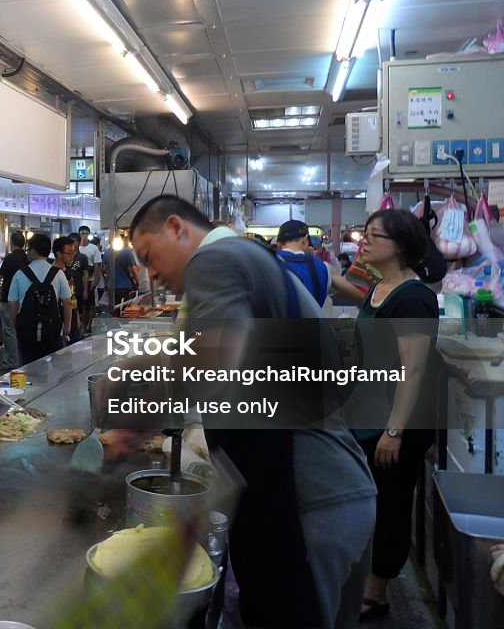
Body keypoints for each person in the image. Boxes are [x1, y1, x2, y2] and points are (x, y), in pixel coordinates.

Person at [124, 194, 376, 629]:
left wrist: (132, 382)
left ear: (175, 227)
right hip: (329, 492)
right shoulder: (247, 258)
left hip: (310, 497)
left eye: (149, 256)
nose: (152, 274)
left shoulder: (216, 261)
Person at [351, 209, 438, 621]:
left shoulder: (416, 299)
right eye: (364, 234)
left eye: (372, 236)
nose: (362, 242)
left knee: (390, 502)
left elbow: (414, 369)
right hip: (371, 410)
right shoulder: (380, 287)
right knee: (370, 498)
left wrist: (394, 431)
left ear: (399, 245)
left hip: (398, 421)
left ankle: (378, 591)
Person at [8, 233, 71, 365]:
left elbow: (12, 302)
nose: (28, 253)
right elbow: (67, 302)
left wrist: (16, 324)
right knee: (54, 367)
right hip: (52, 330)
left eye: (28, 249)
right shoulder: (58, 273)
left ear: (34, 251)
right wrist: (67, 326)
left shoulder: (20, 274)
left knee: (28, 367)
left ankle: (31, 385)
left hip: (27, 332)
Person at [276, 220, 360, 309]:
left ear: (278, 244)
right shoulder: (324, 268)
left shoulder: (266, 263)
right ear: (305, 241)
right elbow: (359, 295)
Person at [0, 231, 27, 371]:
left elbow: (0, 274)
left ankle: (11, 363)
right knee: (19, 329)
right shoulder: (27, 258)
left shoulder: (10, 258)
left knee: (9, 331)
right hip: (24, 298)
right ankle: (20, 359)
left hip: (9, 298)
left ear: (12, 243)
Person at [55, 235, 84, 344]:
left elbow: (72, 297)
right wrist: (66, 325)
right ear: (58, 254)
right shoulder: (54, 274)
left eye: (74, 252)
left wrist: (76, 316)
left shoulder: (68, 270)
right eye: (69, 253)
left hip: (72, 317)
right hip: (62, 320)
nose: (73, 256)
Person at [77, 226, 101, 333]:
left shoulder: (93, 248)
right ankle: (81, 325)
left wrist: (95, 281)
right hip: (79, 281)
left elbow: (97, 266)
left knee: (91, 305)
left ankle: (89, 325)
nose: (84, 236)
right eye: (82, 233)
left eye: (86, 233)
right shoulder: (76, 248)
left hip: (90, 280)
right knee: (81, 305)